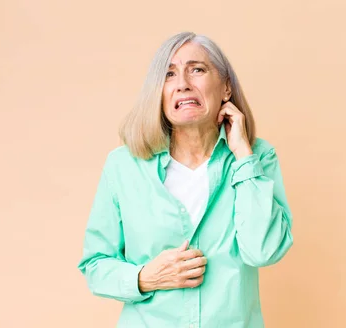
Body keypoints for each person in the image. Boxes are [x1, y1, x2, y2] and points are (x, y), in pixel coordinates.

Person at [77, 31, 294, 328]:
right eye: (169, 74)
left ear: (226, 88)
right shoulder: (123, 166)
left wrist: (244, 155)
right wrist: (145, 278)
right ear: (159, 92)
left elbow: (263, 250)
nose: (182, 84)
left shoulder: (257, 157)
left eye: (197, 70)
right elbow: (95, 265)